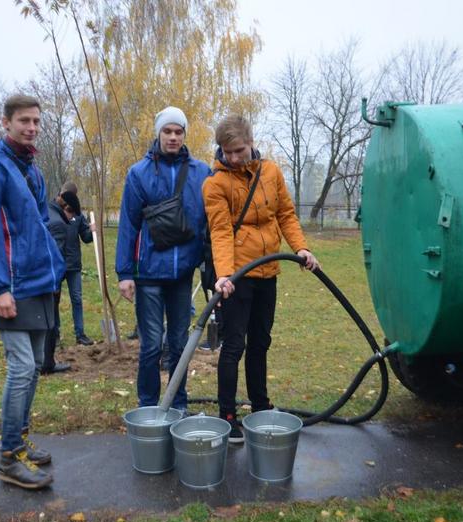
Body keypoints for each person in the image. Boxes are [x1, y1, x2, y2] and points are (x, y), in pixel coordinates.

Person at [0, 94, 65, 490]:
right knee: (21, 367)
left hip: (39, 283)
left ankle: (21, 443)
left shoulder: (32, 169)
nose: (32, 127)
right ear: (5, 122)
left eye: (37, 121)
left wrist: (53, 269)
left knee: (37, 364)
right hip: (8, 286)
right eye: (24, 120)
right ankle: (8, 457)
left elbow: (39, 226)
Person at [203, 114, 320, 444]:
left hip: (269, 272)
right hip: (237, 278)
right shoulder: (215, 183)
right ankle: (227, 414)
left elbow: (285, 214)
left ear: (251, 142)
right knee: (234, 345)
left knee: (260, 342)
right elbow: (221, 231)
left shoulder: (271, 172)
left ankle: (260, 405)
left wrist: (301, 248)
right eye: (227, 152)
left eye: (239, 150)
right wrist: (224, 274)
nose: (234, 158)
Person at [115, 106, 210, 412]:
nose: (172, 137)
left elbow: (210, 221)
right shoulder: (138, 173)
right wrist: (125, 273)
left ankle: (177, 404)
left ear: (185, 134)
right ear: (158, 133)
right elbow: (128, 225)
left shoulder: (201, 173)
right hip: (148, 274)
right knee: (152, 345)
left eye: (178, 131)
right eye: (167, 131)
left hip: (182, 274)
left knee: (180, 346)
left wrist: (210, 266)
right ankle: (147, 406)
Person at [46, 187, 95, 351]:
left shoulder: (77, 214)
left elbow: (86, 237)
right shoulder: (52, 214)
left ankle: (80, 334)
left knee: (77, 298)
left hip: (73, 264)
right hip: (58, 265)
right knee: (55, 300)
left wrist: (92, 231)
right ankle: (56, 334)